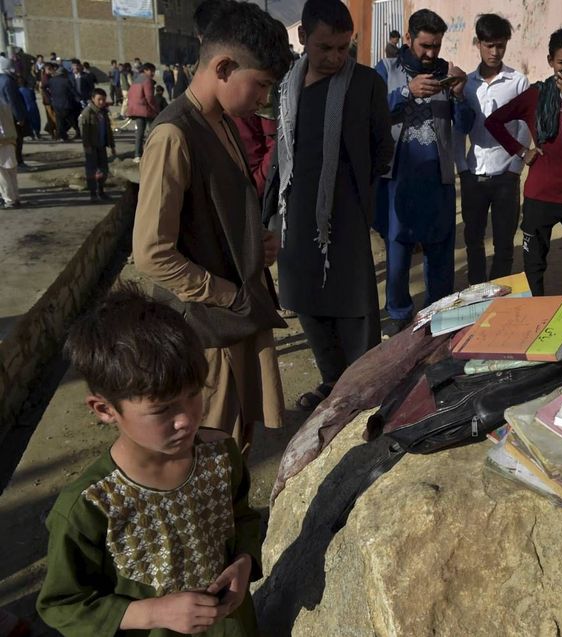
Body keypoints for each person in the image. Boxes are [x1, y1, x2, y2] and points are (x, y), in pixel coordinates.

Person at [35, 285, 264, 636]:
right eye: (162, 409)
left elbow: (243, 517)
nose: (186, 418)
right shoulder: (90, 507)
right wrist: (151, 613)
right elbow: (62, 604)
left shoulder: (221, 456)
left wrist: (245, 561)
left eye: (193, 395)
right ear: (105, 409)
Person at [132, 0, 292, 454]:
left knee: (237, 439)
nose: (263, 99)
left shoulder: (221, 122)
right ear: (223, 66)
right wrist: (227, 293)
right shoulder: (173, 135)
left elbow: (216, 211)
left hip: (236, 317)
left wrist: (252, 243)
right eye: (259, 85)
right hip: (208, 330)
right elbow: (152, 253)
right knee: (210, 445)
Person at [271, 0, 393, 410]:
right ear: (303, 38)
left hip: (345, 210)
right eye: (326, 47)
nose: (336, 57)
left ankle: (362, 388)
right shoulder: (284, 85)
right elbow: (279, 150)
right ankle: (331, 382)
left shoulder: (365, 84)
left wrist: (359, 196)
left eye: (343, 48)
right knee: (307, 299)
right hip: (294, 211)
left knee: (354, 303)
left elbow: (382, 148)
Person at [374, 8, 472, 337]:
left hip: (438, 180)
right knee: (399, 253)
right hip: (397, 181)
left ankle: (438, 318)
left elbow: (465, 125)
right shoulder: (386, 70)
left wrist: (459, 96)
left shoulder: (449, 74)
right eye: (424, 46)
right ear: (408, 39)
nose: (431, 54)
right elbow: (368, 114)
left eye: (436, 46)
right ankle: (399, 317)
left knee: (441, 250)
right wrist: (406, 92)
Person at [485, 26, 562, 295]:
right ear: (550, 61)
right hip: (540, 196)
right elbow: (494, 121)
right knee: (534, 266)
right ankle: (536, 319)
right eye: (561, 62)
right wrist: (523, 151)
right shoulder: (536, 95)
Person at [454, 13, 529, 285]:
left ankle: (498, 300)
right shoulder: (466, 84)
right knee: (473, 242)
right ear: (478, 44)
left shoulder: (517, 82)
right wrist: (462, 167)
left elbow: (525, 126)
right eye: (489, 45)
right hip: (473, 175)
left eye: (500, 45)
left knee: (504, 244)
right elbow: (458, 128)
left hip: (505, 177)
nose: (495, 52)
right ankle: (475, 295)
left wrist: (515, 168)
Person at [79, 87, 116, 202]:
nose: (101, 102)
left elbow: (108, 130)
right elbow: (84, 132)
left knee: (103, 169)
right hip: (92, 147)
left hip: (102, 145)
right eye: (99, 99)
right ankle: (93, 193)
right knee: (92, 170)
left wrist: (112, 145)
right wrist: (87, 146)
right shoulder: (87, 113)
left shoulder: (103, 113)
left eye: (103, 100)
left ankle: (101, 190)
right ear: (93, 99)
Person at [124, 62, 159, 161]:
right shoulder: (147, 80)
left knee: (139, 133)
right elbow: (150, 97)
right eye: (151, 70)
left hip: (135, 110)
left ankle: (137, 155)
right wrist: (156, 109)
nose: (153, 73)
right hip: (145, 110)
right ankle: (152, 152)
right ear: (145, 70)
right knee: (153, 131)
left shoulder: (136, 80)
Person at [0, 57, 27, 165]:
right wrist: (20, 117)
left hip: (2, 116)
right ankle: (18, 162)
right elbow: (13, 101)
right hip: (11, 115)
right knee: (17, 139)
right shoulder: (8, 81)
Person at [0, 100, 20, 208]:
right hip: (10, 139)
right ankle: (15, 197)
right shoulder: (3, 102)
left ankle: (9, 199)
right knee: (11, 171)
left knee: (2, 173)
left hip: (2, 141)